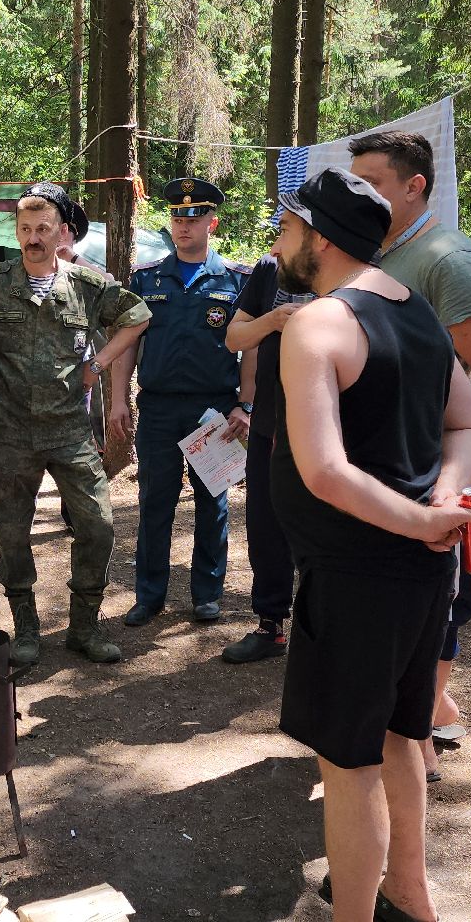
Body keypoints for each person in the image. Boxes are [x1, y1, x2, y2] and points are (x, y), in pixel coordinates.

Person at [269, 168, 471, 922]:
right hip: (419, 570)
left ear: (319, 238)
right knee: (403, 736)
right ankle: (411, 895)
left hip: (359, 573)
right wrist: (444, 497)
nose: (277, 240)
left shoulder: (317, 323)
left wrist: (428, 513)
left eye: (286, 227)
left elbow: (325, 472)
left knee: (349, 760)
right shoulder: (418, 313)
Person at [348, 130, 471, 778]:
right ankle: (431, 713)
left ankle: (417, 735)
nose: (357, 195)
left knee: (439, 606)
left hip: (433, 482)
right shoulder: (376, 252)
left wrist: (449, 472)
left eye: (371, 183)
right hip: (385, 478)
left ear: (414, 185)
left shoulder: (446, 259)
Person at [0, 184, 150, 667]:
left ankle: (84, 626)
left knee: (98, 525)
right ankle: (25, 627)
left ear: (60, 232)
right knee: (12, 532)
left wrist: (103, 360)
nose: (33, 238)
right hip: (11, 431)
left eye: (42, 229)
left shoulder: (85, 286)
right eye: (25, 229)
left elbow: (137, 315)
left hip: (70, 430)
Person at [107, 176, 251, 626]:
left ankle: (207, 593)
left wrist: (245, 404)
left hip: (214, 408)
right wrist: (117, 400)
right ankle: (149, 595)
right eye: (176, 216)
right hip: (160, 408)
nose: (183, 225)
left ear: (213, 222)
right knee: (155, 501)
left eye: (194, 216)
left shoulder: (236, 281)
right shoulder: (146, 279)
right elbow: (127, 342)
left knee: (213, 502)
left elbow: (254, 348)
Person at [218, 252, 308, 663]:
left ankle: (322, 630)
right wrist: (272, 320)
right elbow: (235, 338)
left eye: (286, 228)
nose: (276, 242)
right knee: (265, 525)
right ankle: (271, 626)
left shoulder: (354, 269)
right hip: (270, 422)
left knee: (320, 530)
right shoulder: (270, 270)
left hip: (327, 427)